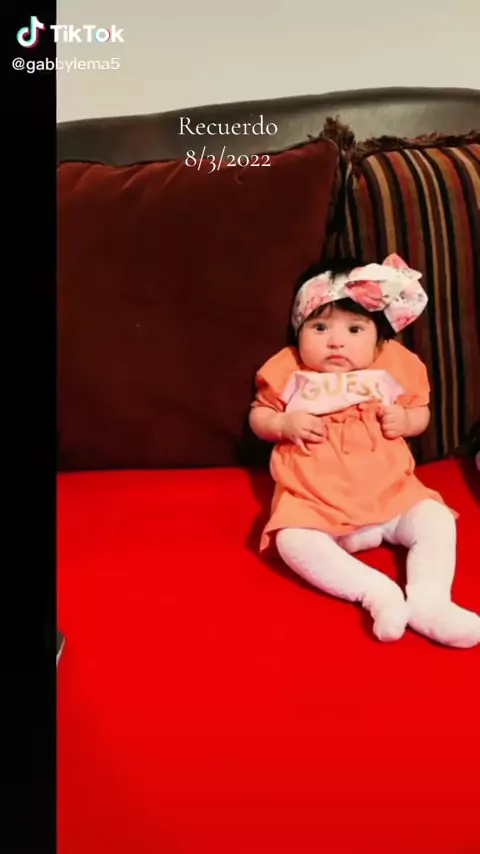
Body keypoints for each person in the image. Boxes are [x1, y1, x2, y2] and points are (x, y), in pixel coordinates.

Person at [249, 253, 480, 648]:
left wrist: (407, 421)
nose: (336, 341)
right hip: (316, 500)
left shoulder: (392, 363)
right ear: (298, 330)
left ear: (378, 340)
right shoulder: (290, 368)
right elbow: (260, 414)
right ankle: (375, 592)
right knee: (292, 540)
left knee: (436, 519)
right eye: (319, 327)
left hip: (392, 493)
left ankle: (430, 601)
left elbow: (420, 411)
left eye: (355, 329)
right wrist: (282, 424)